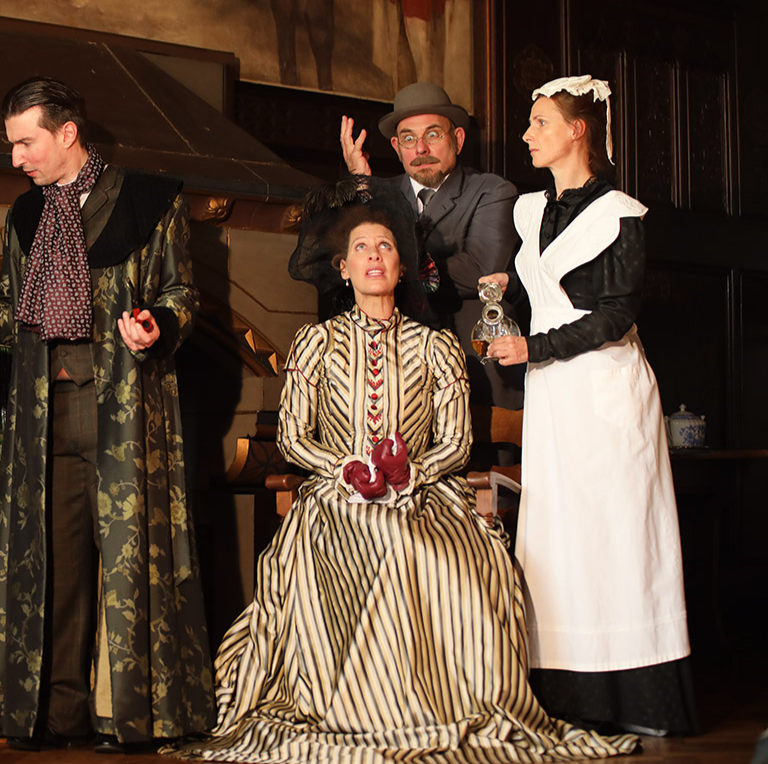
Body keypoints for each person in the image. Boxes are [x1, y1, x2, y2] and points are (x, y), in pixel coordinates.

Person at [168, 177, 639, 763]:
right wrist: (344, 469)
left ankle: (430, 701)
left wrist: (411, 473)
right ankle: (352, 703)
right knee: (342, 542)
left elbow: (456, 441)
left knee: (438, 552)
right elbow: (293, 436)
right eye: (361, 248)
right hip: (334, 496)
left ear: (401, 267)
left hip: (423, 492)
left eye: (386, 247)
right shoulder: (315, 343)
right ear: (343, 269)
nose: (374, 256)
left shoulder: (438, 347)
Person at [0, 76, 214, 753]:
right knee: (53, 565)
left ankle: (127, 717)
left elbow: (183, 293)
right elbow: (12, 321)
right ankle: (58, 715)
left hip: (124, 411)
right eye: (10, 145)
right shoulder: (25, 216)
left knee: (125, 565)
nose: (16, 159)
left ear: (67, 133)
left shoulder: (151, 200)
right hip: (45, 418)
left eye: (25, 143)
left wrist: (158, 324)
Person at [481, 74, 697, 736]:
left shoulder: (619, 214)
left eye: (540, 123)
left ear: (577, 131)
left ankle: (636, 698)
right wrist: (509, 294)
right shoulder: (529, 211)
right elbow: (549, 292)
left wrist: (534, 346)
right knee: (559, 535)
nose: (527, 135)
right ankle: (566, 694)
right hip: (553, 392)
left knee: (616, 534)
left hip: (605, 387)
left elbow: (613, 314)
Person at [329, 81, 523, 409]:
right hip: (396, 370)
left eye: (433, 134)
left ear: (457, 139)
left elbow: (478, 269)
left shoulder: (492, 191)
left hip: (474, 368)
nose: (420, 149)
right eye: (408, 139)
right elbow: (353, 261)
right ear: (396, 147)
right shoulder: (378, 195)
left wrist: (392, 268)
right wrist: (362, 188)